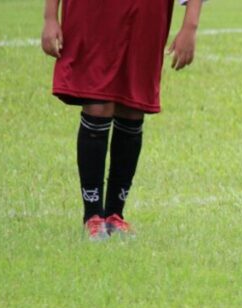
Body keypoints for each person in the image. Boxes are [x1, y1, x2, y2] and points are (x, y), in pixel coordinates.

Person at [41, 0, 204, 240]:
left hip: (147, 12)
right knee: (97, 101)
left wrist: (190, 25)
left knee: (133, 103)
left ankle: (115, 215)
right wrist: (50, 17)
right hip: (93, 11)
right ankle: (93, 216)